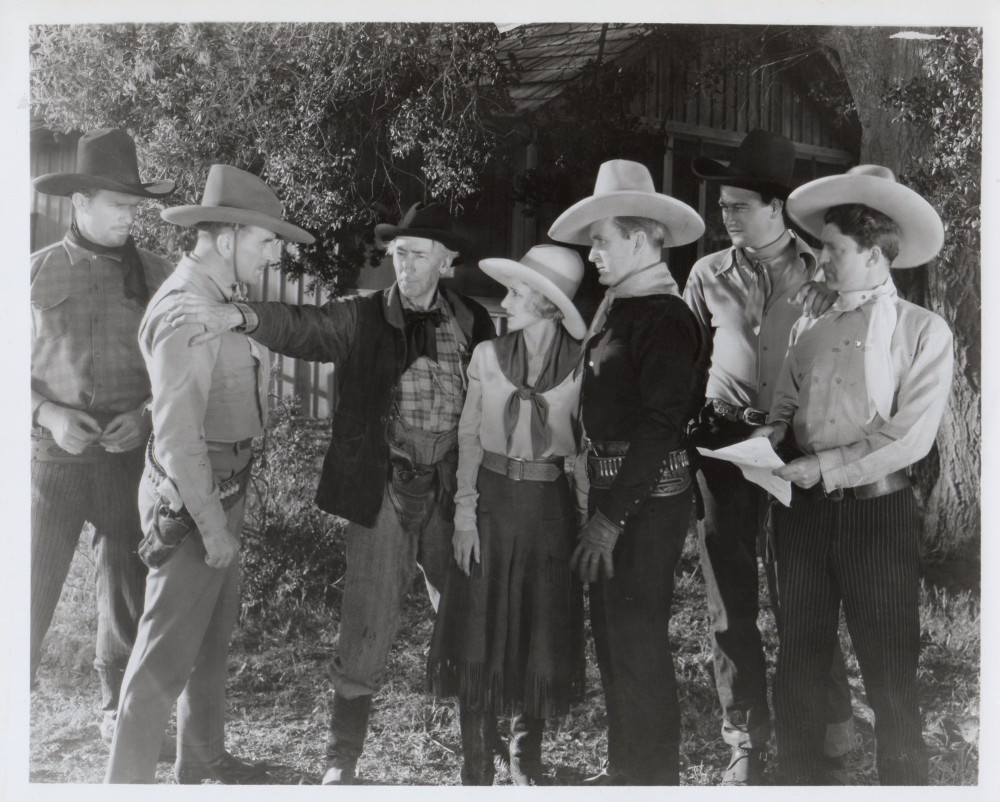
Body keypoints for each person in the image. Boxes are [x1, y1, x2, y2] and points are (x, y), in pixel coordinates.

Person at [159, 201, 495, 784]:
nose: (406, 266)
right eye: (398, 254)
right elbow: (301, 326)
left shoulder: (472, 321)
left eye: (418, 255)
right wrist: (239, 316)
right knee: (365, 622)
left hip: (448, 490)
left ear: (448, 261)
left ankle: (478, 763)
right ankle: (341, 760)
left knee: (468, 615)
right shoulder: (361, 317)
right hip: (381, 488)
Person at [105, 164, 315, 783]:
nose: (274, 252)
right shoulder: (186, 311)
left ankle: (200, 763)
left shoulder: (221, 300)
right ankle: (124, 782)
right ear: (226, 239)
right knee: (161, 659)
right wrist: (212, 524)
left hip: (226, 488)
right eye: (265, 240)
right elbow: (175, 435)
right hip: (196, 498)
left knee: (208, 641)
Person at [752, 164, 953, 784]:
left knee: (890, 668)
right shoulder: (811, 324)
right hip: (805, 515)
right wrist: (764, 442)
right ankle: (800, 781)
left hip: (877, 512)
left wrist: (828, 465)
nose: (822, 263)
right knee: (799, 663)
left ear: (873, 252)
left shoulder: (923, 330)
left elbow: (909, 437)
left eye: (833, 251)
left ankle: (904, 784)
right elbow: (783, 407)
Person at [685, 129, 853, 784]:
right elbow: (688, 362)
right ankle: (744, 739)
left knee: (806, 591)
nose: (723, 217)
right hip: (725, 447)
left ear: (776, 208)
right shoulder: (705, 274)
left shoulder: (827, 273)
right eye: (721, 206)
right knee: (730, 598)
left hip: (799, 448)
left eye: (736, 206)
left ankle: (825, 724)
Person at [548, 159, 704, 785]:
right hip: (614, 498)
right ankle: (625, 774)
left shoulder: (666, 318)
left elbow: (662, 426)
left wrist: (610, 520)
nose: (592, 255)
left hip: (643, 507)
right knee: (614, 642)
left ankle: (652, 780)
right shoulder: (622, 306)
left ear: (641, 241)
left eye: (602, 240)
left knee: (637, 644)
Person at [30, 128, 175, 745]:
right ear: (80, 202)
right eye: (118, 205)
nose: (128, 219)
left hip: (127, 459)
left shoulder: (160, 275)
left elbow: (179, 372)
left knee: (127, 584)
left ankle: (117, 705)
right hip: (51, 460)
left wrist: (145, 413)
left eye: (133, 207)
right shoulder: (30, 275)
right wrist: (47, 415)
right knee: (28, 586)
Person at [426, 245, 589, 785]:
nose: (505, 300)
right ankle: (476, 763)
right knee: (479, 630)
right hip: (492, 504)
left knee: (536, 627)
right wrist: (465, 517)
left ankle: (525, 758)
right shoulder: (487, 356)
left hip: (549, 511)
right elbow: (469, 438)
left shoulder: (581, 365)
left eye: (519, 292)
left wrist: (587, 520)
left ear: (547, 305)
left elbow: (581, 454)